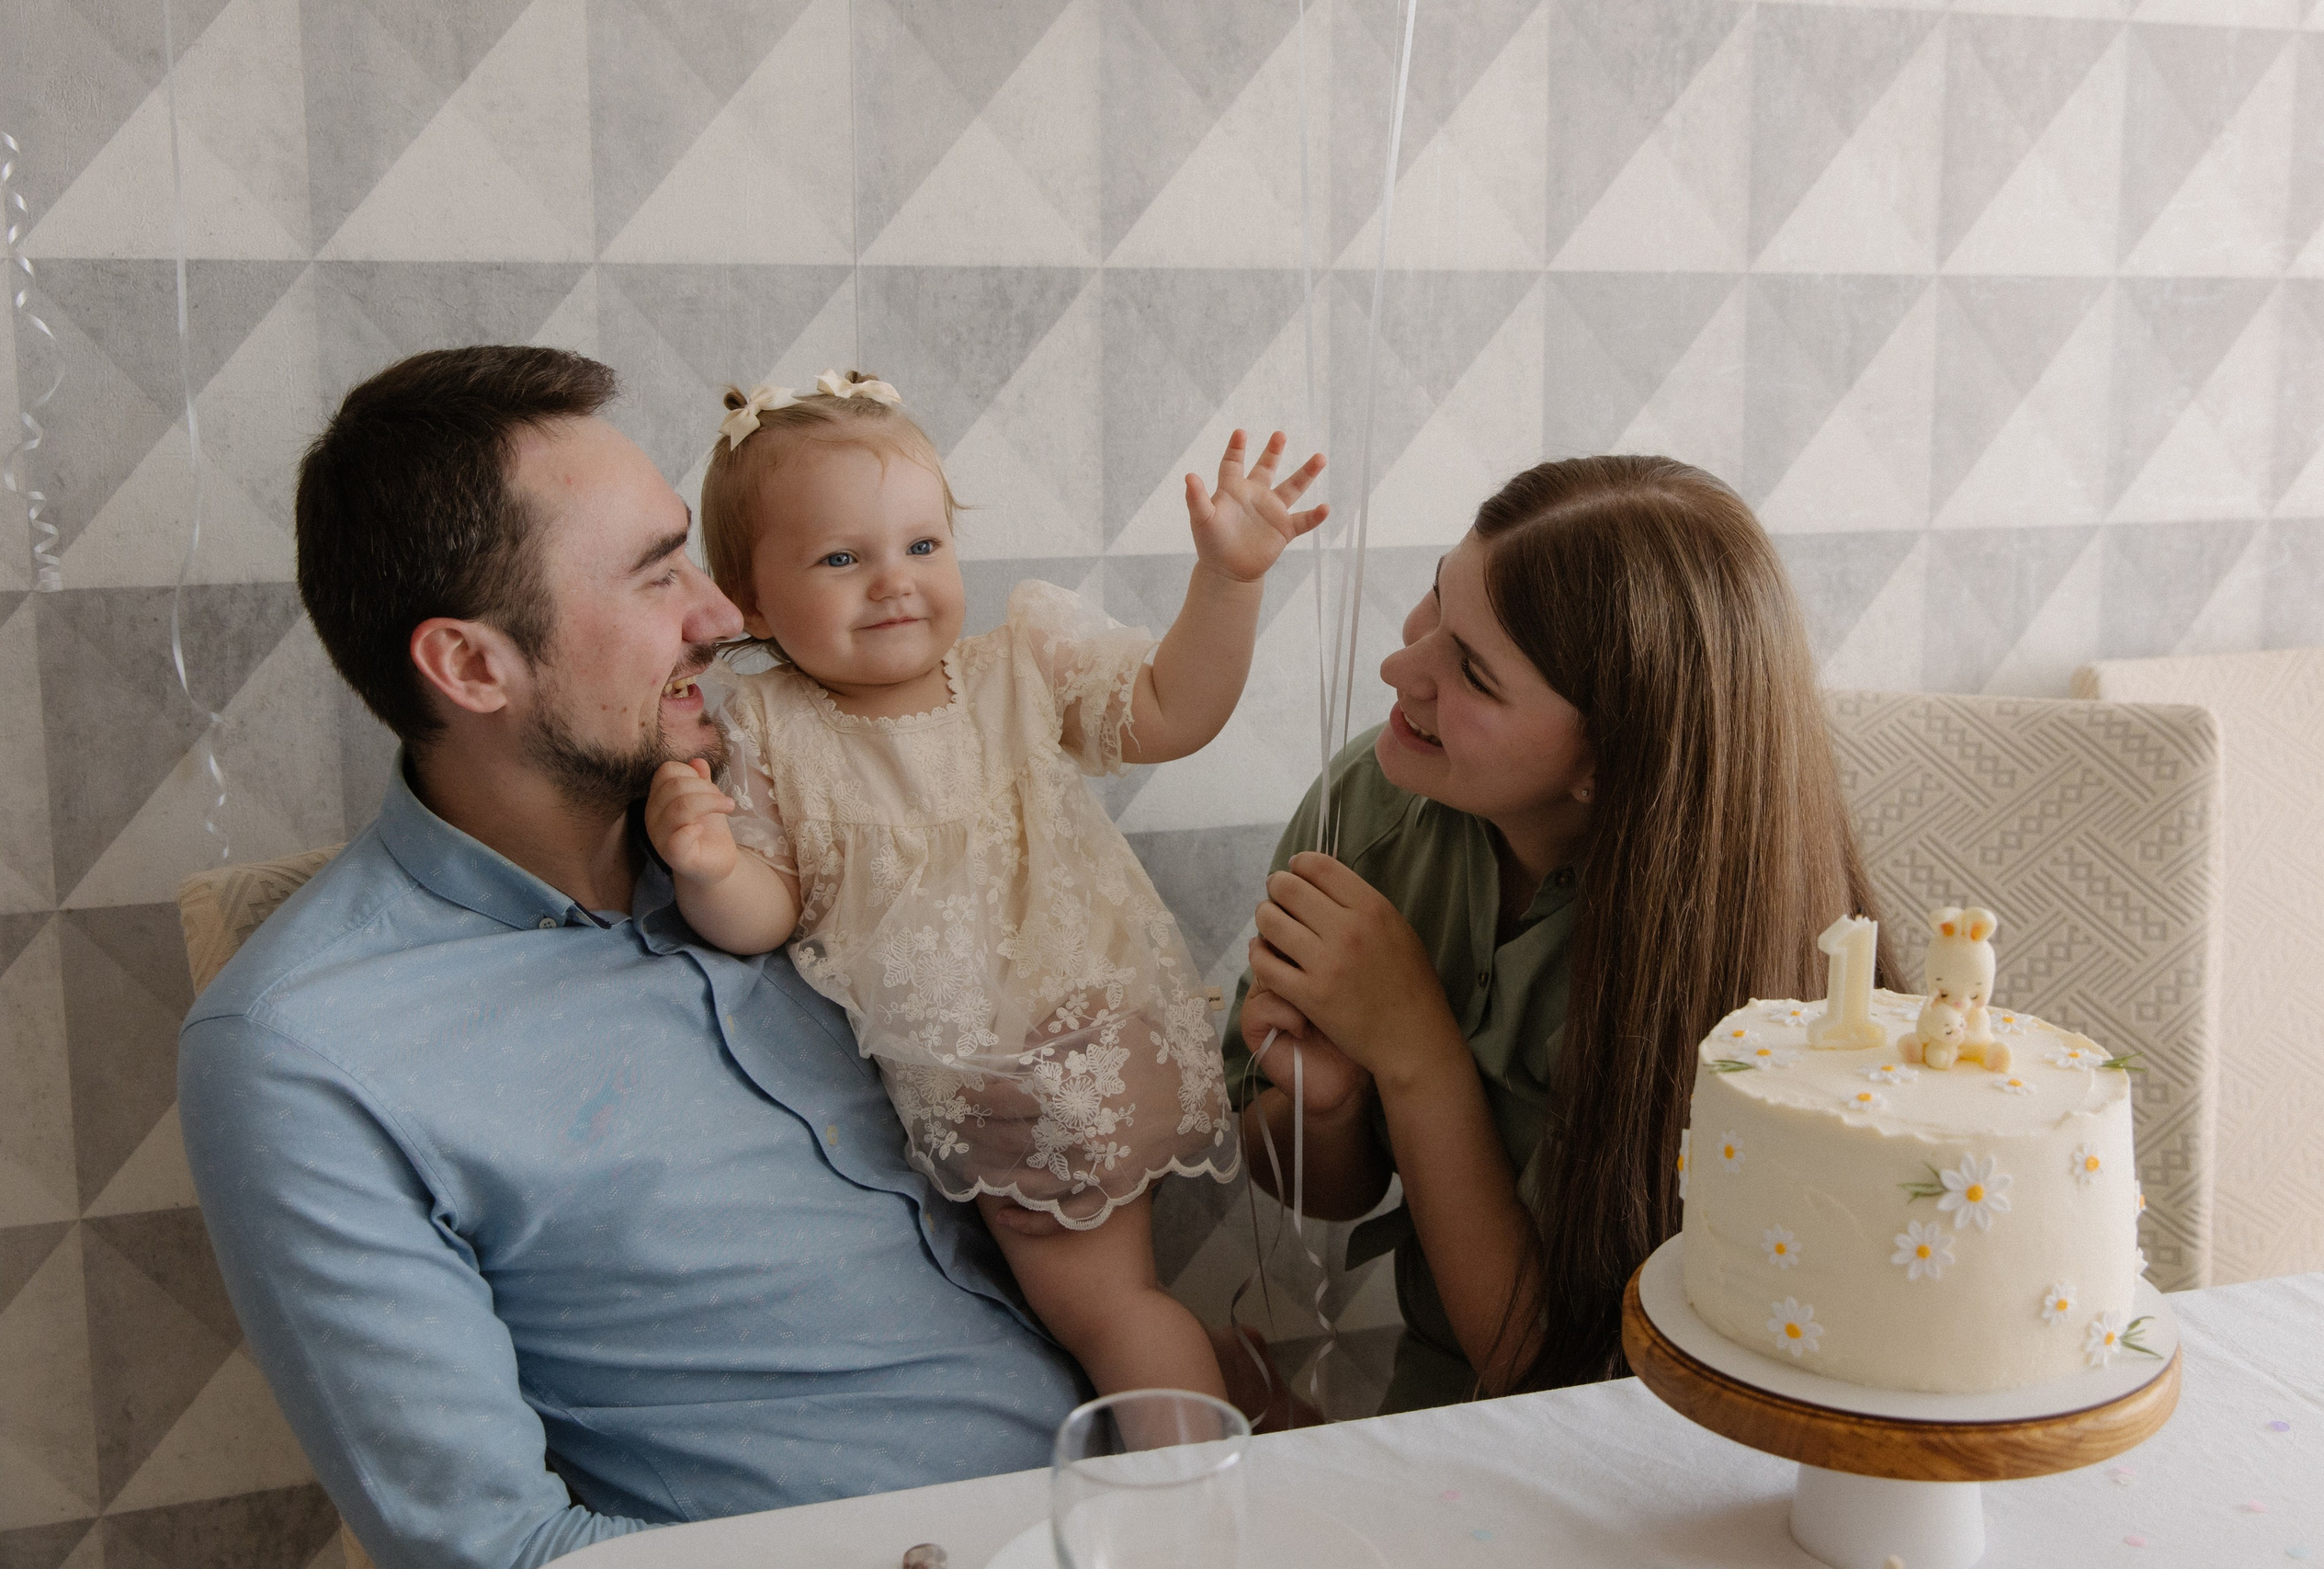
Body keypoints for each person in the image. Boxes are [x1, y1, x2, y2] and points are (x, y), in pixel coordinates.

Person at [180, 347, 1103, 1569]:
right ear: (469, 664)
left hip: (1140, 1492)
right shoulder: (307, 1048)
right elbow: (492, 1543)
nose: (723, 616)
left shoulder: (791, 823)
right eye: (658, 575)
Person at [646, 374, 1327, 1405]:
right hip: (979, 1069)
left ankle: (1185, 1505)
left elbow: (1168, 712)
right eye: (842, 558)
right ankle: (1211, 1409)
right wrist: (711, 869)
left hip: (1048, 1058)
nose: (894, 583)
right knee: (1035, 1312)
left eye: (923, 546)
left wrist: (1225, 585)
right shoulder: (768, 727)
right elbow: (765, 912)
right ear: (747, 597)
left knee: (1107, 1312)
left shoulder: (1019, 666)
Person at [1223, 455, 1897, 1411]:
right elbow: (1312, 1184)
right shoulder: (1374, 804)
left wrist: (1415, 1052)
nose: (1399, 667)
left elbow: (1558, 1378)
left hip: (1635, 1433)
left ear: (1611, 766)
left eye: (1475, 675)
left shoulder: (1734, 983)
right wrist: (1323, 1107)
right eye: (1433, 601)